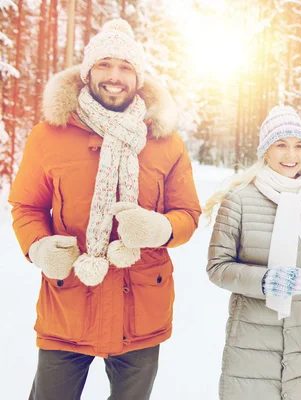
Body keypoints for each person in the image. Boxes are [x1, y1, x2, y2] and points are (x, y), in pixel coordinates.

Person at [8, 19, 201, 400]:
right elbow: (26, 206)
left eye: (125, 67)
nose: (115, 76)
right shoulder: (49, 134)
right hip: (68, 304)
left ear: (138, 77)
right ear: (87, 72)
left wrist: (159, 229)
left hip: (141, 308)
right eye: (104, 64)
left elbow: (188, 214)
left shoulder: (166, 141)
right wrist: (39, 247)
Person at [204, 105, 301, 400]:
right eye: (281, 144)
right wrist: (265, 281)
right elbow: (217, 267)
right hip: (251, 347)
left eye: (298, 146)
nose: (291, 155)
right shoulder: (239, 200)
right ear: (265, 151)